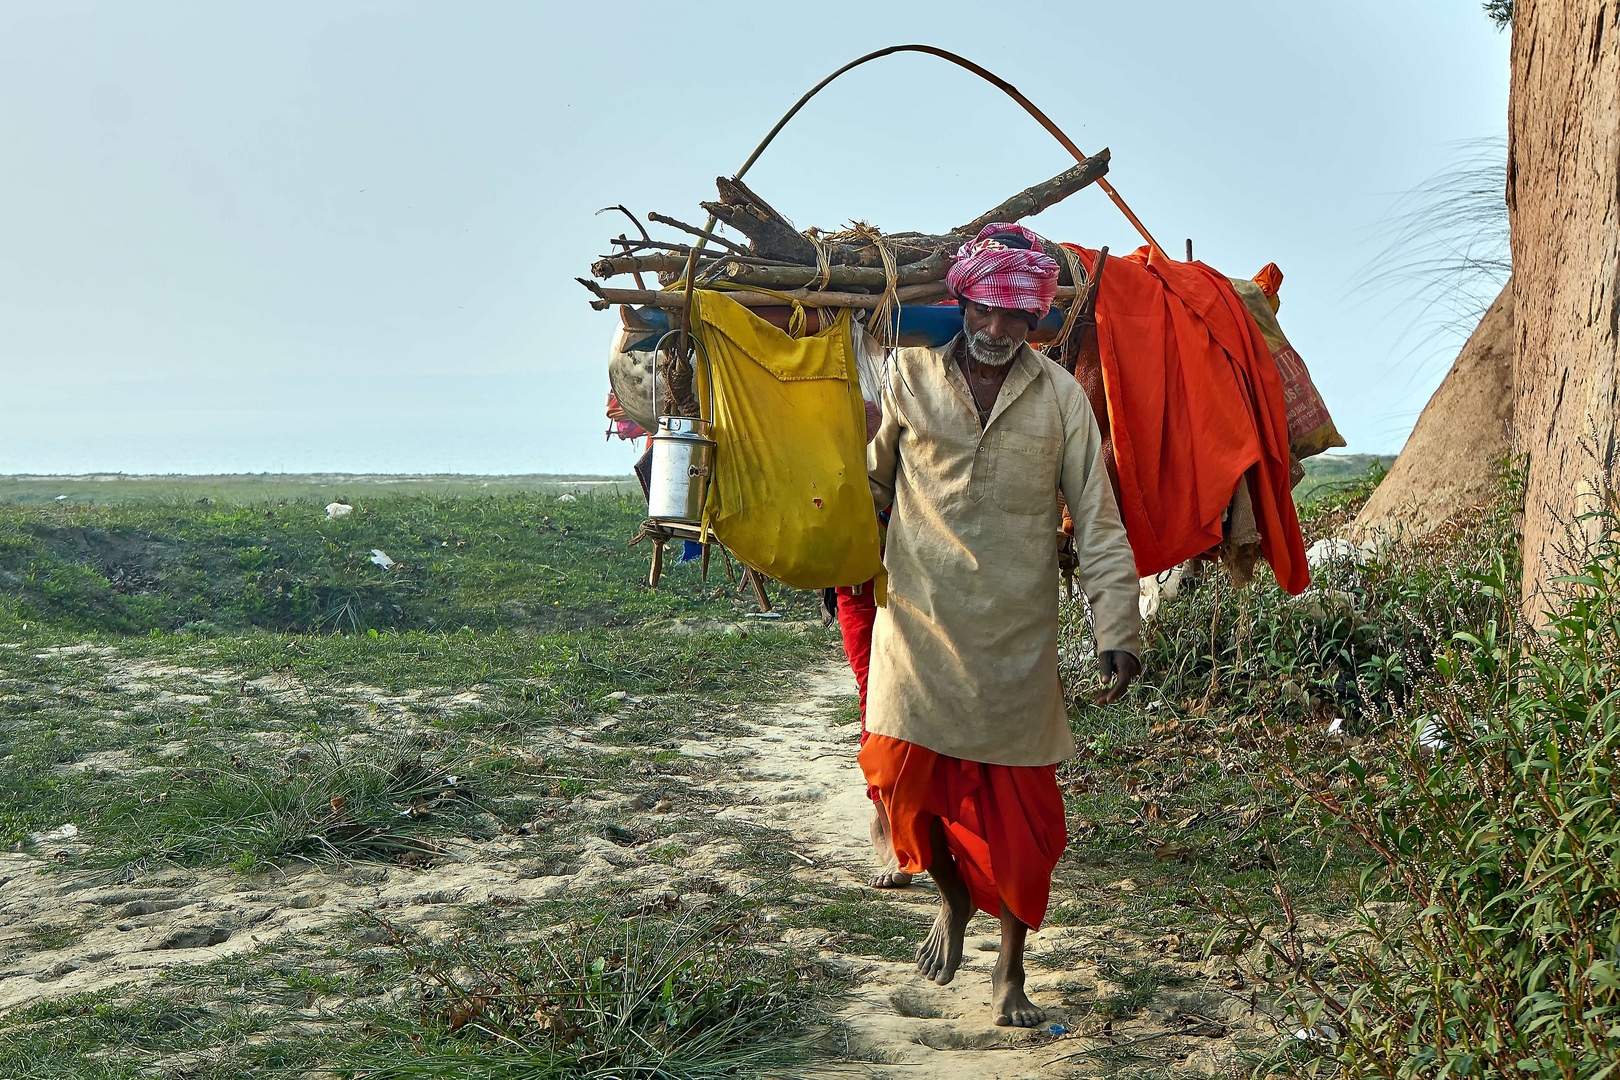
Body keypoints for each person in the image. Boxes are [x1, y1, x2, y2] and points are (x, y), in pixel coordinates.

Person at [859, 222, 1142, 1028]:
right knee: (900, 788)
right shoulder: (909, 377)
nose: (996, 332)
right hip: (916, 630)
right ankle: (951, 902)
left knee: (1021, 827)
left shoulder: (1059, 399)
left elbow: (1096, 516)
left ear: (1038, 324)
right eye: (984, 312)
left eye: (1017, 319)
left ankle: (1010, 977)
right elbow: (872, 485)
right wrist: (833, 549)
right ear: (962, 302)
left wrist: (1116, 627)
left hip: (1018, 641)